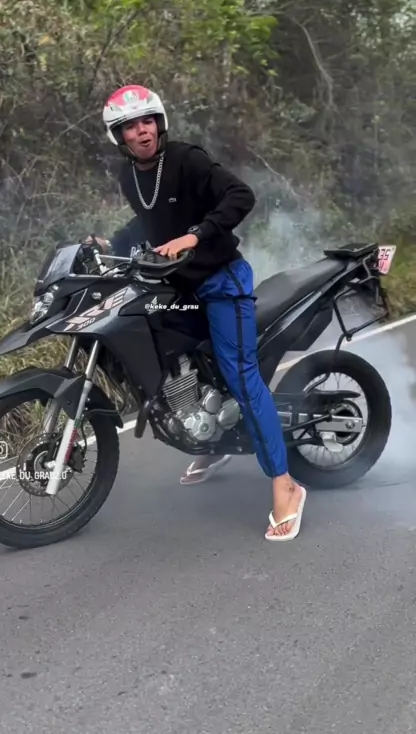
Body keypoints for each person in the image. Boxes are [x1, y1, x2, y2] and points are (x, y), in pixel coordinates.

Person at [87, 83, 307, 541]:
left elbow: (240, 196)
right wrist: (113, 244)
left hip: (222, 280)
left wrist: (195, 235)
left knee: (241, 375)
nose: (142, 131)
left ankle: (286, 484)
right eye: (131, 126)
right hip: (179, 285)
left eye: (148, 121)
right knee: (174, 353)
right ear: (118, 136)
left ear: (159, 123)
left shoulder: (187, 159)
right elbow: (148, 221)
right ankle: (213, 434)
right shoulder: (129, 176)